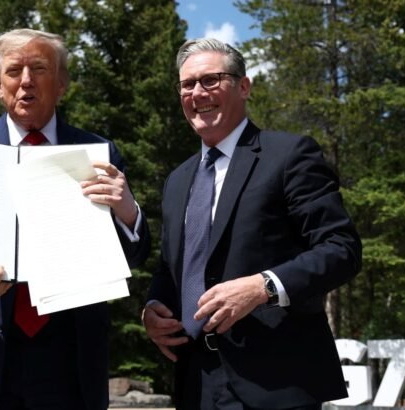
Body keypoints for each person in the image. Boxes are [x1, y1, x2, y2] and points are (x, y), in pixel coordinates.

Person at [0, 28, 150, 410]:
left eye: (39, 69)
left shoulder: (98, 154)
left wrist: (127, 211)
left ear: (61, 84)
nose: (25, 80)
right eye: (13, 71)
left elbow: (133, 256)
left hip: (69, 366)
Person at [142, 38, 362, 409]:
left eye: (211, 80)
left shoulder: (290, 155)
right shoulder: (177, 180)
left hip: (276, 383)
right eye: (187, 84)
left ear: (243, 86)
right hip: (195, 381)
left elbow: (342, 249)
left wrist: (264, 286)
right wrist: (153, 308)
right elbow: (173, 266)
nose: (198, 93)